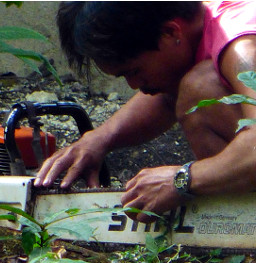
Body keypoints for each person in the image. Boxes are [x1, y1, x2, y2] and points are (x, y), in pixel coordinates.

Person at [42, 2, 256, 223]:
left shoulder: (243, 48)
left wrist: (182, 180)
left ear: (171, 32)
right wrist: (99, 139)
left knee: (200, 88)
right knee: (195, 90)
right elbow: (166, 98)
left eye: (134, 71)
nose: (134, 85)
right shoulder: (198, 24)